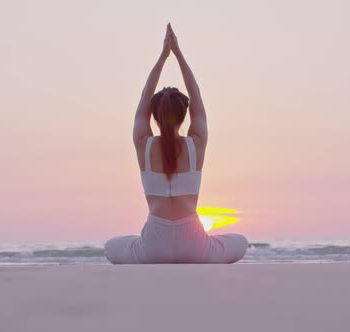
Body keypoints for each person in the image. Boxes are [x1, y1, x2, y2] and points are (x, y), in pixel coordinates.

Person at [104, 23, 248, 264]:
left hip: (153, 248)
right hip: (195, 248)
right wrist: (179, 54)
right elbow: (197, 96)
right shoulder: (196, 143)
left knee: (111, 246)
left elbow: (143, 97)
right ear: (184, 114)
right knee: (240, 240)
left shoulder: (143, 144)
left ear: (154, 114)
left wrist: (162, 57)